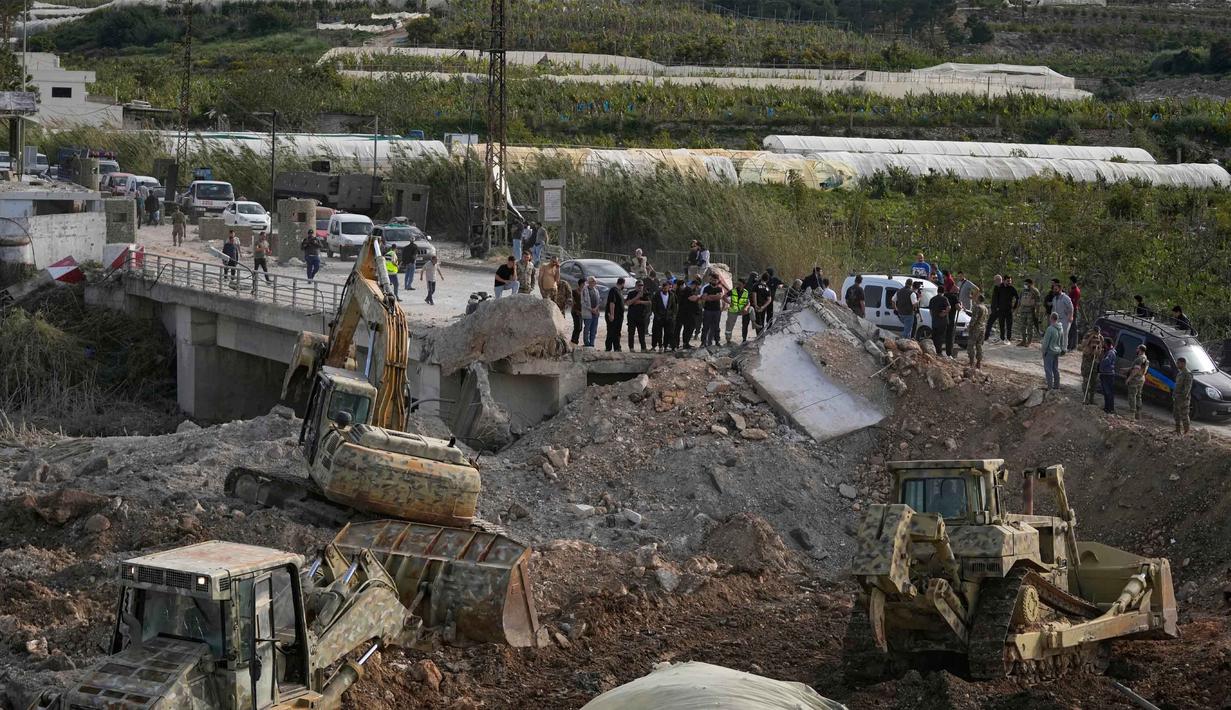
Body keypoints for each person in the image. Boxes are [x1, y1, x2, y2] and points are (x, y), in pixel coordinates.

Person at [699, 272, 725, 347]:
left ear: (717, 280)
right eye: (712, 280)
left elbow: (719, 297)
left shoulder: (719, 288)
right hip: (708, 310)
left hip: (717, 310)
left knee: (716, 326)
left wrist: (710, 296)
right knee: (705, 327)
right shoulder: (706, 288)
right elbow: (704, 297)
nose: (714, 281)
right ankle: (703, 342)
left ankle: (717, 341)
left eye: (715, 280)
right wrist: (714, 297)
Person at [651, 279, 677, 351]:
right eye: (663, 288)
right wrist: (657, 315)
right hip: (659, 317)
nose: (664, 290)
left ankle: (665, 346)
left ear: (668, 288)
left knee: (668, 333)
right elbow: (654, 307)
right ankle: (659, 346)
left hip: (668, 317)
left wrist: (673, 316)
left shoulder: (672, 295)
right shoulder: (657, 295)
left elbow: (674, 306)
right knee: (658, 333)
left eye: (666, 288)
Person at [1080, 330, 1104, 405]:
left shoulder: (1100, 338)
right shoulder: (1088, 335)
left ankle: (1091, 399)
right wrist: (1090, 338)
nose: (1097, 334)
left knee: (1094, 382)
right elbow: (1083, 345)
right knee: (1086, 381)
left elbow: (1101, 349)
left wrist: (1098, 348)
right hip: (1087, 362)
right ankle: (1085, 398)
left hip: (1095, 362)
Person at [626, 279, 651, 352]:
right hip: (632, 316)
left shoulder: (645, 293)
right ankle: (631, 347)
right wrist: (637, 297)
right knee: (631, 333)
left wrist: (640, 302)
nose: (640, 287)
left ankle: (643, 348)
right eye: (639, 285)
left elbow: (649, 302)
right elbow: (628, 303)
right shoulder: (631, 293)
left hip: (641, 316)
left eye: (642, 285)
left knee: (642, 333)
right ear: (636, 286)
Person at [725, 276, 751, 344]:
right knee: (729, 325)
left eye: (740, 284)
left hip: (741, 310)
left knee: (751, 309)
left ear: (744, 285)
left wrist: (746, 308)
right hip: (733, 311)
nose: (738, 285)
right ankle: (728, 339)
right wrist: (729, 303)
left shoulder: (746, 292)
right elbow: (724, 297)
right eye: (737, 284)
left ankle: (754, 323)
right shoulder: (733, 291)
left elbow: (748, 302)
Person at [676, 278, 702, 348]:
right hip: (687, 313)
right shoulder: (688, 290)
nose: (697, 288)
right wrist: (700, 296)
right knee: (688, 328)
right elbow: (691, 298)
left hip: (689, 312)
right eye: (697, 286)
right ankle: (685, 343)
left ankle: (685, 343)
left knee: (688, 328)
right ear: (694, 285)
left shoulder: (689, 290)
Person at [991, 275, 1017, 342]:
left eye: (1010, 281)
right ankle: (1002, 338)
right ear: (1004, 280)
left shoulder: (1012, 288)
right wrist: (996, 307)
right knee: (1001, 325)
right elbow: (995, 298)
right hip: (1001, 310)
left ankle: (1008, 338)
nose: (1009, 282)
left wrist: (1014, 307)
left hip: (1009, 310)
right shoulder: (999, 288)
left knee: (1009, 325)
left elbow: (1017, 298)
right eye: (1008, 281)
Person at [1050, 282, 1074, 353]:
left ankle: (1064, 349)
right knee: (1057, 334)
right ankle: (1057, 348)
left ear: (1060, 289)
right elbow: (1053, 309)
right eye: (1054, 289)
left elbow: (1071, 307)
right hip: (1057, 319)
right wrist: (1052, 317)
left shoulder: (1066, 298)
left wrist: (1070, 316)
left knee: (1064, 334)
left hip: (1065, 318)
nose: (1054, 291)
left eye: (1056, 289)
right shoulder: (1054, 298)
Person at [1042, 313, 1064, 390]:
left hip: (1050, 351)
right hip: (1057, 351)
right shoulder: (1061, 328)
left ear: (1051, 318)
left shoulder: (1050, 329)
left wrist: (1043, 351)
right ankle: (1057, 386)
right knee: (1055, 369)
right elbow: (1062, 341)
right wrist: (1061, 349)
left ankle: (1050, 387)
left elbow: (1046, 342)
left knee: (1048, 369)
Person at [1016, 278, 1041, 347]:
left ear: (1031, 284)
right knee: (1022, 326)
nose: (1025, 285)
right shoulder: (1023, 291)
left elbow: (1038, 303)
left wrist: (1037, 312)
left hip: (1031, 310)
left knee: (1030, 326)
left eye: (1027, 284)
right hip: (1023, 310)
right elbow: (1019, 300)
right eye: (1025, 284)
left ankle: (1029, 341)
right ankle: (1023, 340)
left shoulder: (1035, 291)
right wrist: (1017, 310)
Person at [1126, 344, 1148, 420]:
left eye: (1137, 348)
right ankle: (1138, 415)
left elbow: (1136, 370)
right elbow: (1137, 369)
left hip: (1135, 380)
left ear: (1140, 350)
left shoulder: (1139, 359)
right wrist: (1126, 369)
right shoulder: (1145, 358)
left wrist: (1129, 379)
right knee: (1138, 396)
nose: (1136, 350)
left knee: (1132, 396)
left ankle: (1132, 415)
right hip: (1141, 379)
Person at [967, 290, 988, 368]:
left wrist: (970, 327)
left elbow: (974, 319)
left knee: (970, 345)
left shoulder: (977, 307)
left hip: (976, 329)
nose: (975, 298)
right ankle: (979, 362)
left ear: (979, 299)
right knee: (979, 345)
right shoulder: (985, 308)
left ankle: (971, 362)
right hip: (982, 328)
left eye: (976, 297)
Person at [605, 277, 626, 352]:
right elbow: (612, 303)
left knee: (617, 332)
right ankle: (609, 348)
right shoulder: (613, 290)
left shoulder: (619, 291)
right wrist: (612, 314)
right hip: (614, 315)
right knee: (611, 331)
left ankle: (617, 347)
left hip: (619, 316)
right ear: (622, 283)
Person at [927, 288, 950, 356]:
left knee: (934, 336)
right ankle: (939, 352)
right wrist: (945, 313)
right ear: (944, 291)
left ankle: (934, 351)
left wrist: (933, 317)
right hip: (942, 321)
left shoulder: (932, 299)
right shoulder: (944, 299)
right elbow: (949, 307)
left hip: (934, 320)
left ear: (937, 291)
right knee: (940, 337)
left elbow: (930, 310)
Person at [1173, 357, 1193, 434]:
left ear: (1183, 363)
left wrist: (1183, 397)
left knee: (1184, 415)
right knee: (1176, 414)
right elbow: (1177, 385)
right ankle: (1177, 430)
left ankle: (1186, 431)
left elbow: (1187, 388)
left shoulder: (1187, 374)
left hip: (1183, 399)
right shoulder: (1180, 373)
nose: (1177, 364)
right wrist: (1174, 395)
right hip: (1177, 397)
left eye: (1178, 363)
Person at [1099, 337, 1118, 414]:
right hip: (1105, 373)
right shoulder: (1108, 351)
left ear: (1107, 344)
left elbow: (1106, 361)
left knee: (1108, 392)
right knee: (1106, 392)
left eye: (1104, 343)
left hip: (1108, 374)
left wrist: (1100, 364)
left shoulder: (1111, 353)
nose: (1102, 344)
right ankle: (1107, 408)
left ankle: (1110, 409)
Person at [581, 277, 601, 347]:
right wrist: (591, 309)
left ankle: (592, 343)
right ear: (589, 282)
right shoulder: (584, 290)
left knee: (594, 329)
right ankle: (586, 343)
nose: (594, 283)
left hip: (595, 313)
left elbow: (599, 301)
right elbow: (583, 302)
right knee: (587, 329)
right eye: (593, 281)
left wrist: (596, 309)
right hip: (588, 313)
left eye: (595, 282)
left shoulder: (596, 290)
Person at [944, 283, 960, 357]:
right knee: (949, 336)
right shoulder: (954, 297)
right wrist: (960, 305)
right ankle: (949, 353)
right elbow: (958, 307)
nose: (958, 293)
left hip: (942, 318)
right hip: (950, 319)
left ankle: (938, 352)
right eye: (957, 291)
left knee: (941, 335)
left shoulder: (944, 295)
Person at [1067, 275, 1082, 351]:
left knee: (1073, 327)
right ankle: (1070, 345)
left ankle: (1072, 345)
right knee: (1071, 327)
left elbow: (1074, 302)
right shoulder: (1072, 289)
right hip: (1071, 309)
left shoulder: (1076, 291)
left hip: (1073, 310)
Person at [570, 277, 585, 345]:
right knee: (577, 327)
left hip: (581, 312)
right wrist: (576, 310)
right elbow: (573, 302)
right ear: (581, 284)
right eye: (584, 283)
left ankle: (575, 340)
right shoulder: (574, 292)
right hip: (575, 311)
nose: (585, 285)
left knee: (580, 327)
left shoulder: (584, 292)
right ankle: (574, 341)